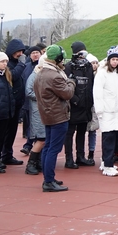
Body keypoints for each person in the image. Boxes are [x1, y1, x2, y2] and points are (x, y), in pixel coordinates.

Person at [34, 45, 75, 192]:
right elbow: (67, 94)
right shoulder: (55, 76)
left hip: (47, 114)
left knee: (48, 147)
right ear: (57, 59)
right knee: (53, 149)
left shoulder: (41, 73)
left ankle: (48, 177)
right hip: (58, 116)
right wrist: (71, 81)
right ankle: (49, 181)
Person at [93, 46, 118, 176]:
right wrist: (99, 110)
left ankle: (105, 161)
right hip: (106, 110)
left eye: (116, 60)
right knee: (108, 138)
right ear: (108, 60)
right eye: (112, 59)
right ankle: (107, 165)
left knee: (113, 136)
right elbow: (97, 93)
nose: (114, 62)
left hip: (115, 110)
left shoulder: (117, 73)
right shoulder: (102, 73)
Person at [63, 42, 95, 169]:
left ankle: (80, 156)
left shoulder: (88, 66)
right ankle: (69, 158)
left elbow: (91, 83)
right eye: (80, 52)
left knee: (82, 132)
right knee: (70, 132)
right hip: (74, 105)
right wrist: (75, 100)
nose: (83, 55)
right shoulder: (69, 66)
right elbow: (66, 85)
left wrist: (90, 101)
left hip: (86, 104)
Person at [0, 38, 27, 166]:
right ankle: (1, 155)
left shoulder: (17, 63)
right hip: (9, 104)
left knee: (12, 131)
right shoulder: (8, 64)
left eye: (22, 51)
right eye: (18, 51)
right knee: (4, 131)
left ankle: (7, 155)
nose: (20, 54)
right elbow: (13, 76)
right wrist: (22, 64)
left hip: (17, 103)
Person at [23, 53, 47, 175]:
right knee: (41, 138)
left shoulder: (43, 75)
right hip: (37, 110)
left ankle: (37, 162)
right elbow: (28, 91)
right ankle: (31, 163)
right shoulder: (34, 76)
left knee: (44, 138)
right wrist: (42, 97)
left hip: (44, 110)